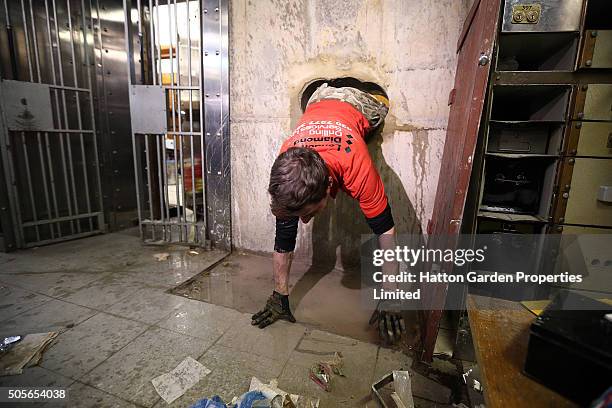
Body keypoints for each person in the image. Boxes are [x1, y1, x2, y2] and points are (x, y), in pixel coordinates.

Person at [251, 82, 404, 342]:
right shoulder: (288, 164)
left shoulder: (356, 165)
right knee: (287, 225)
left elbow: (386, 232)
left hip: (357, 101)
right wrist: (279, 295)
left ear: (328, 191)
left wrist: (391, 295)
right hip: (317, 99)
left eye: (307, 213)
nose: (303, 220)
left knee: (377, 113)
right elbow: (283, 239)